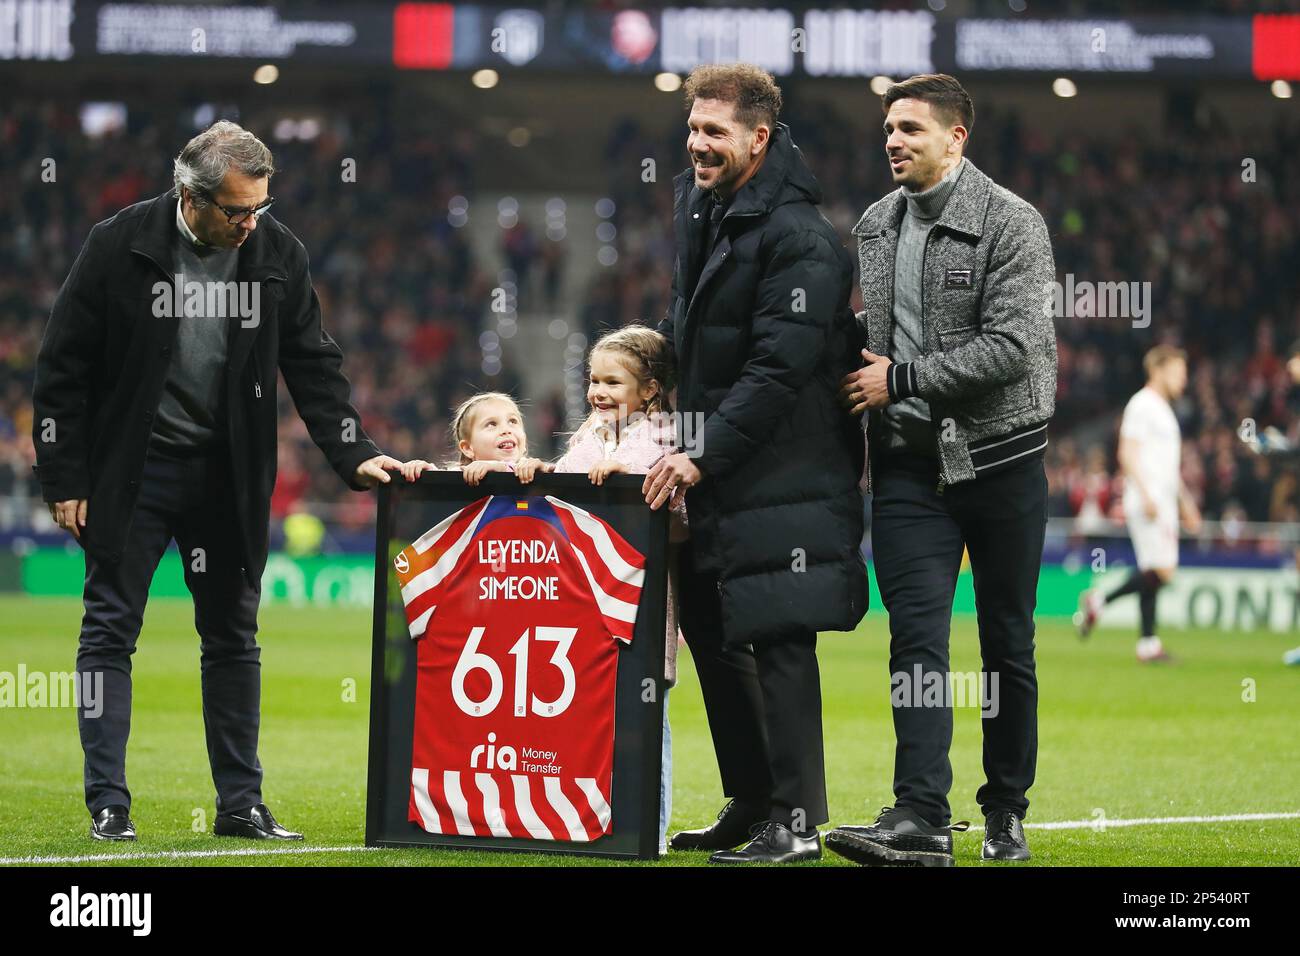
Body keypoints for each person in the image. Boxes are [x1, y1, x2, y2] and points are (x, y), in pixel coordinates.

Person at [31, 121, 403, 842]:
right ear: (188, 196)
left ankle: (241, 804)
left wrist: (353, 451)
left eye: (257, 207)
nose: (249, 223)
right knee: (109, 632)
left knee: (233, 636)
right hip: (131, 473)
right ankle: (108, 802)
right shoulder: (119, 243)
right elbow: (61, 368)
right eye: (235, 210)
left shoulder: (275, 252)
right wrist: (63, 477)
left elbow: (314, 364)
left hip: (225, 475)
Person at [642, 64, 868, 865]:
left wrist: (699, 453)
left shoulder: (799, 235)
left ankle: (797, 822)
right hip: (723, 466)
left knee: (778, 640)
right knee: (711, 633)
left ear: (758, 138)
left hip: (784, 470)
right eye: (693, 128)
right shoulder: (705, 206)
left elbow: (780, 368)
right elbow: (691, 321)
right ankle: (753, 801)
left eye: (715, 133)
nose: (698, 145)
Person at [830, 74, 1057, 866]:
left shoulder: (1012, 223)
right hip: (906, 471)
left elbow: (1015, 347)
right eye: (888, 128)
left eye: (911, 129)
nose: (893, 140)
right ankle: (920, 814)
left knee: (1007, 643)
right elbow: (875, 334)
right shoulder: (875, 224)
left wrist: (904, 378)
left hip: (1000, 466)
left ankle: (1004, 811)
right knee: (916, 640)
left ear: (956, 138)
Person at [548, 325, 685, 856]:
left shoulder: (669, 436)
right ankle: (580, 819)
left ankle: (648, 830)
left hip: (642, 605)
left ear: (649, 389)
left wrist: (630, 480)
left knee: (646, 715)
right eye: (593, 380)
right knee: (584, 714)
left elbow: (683, 519)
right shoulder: (588, 436)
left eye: (612, 382)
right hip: (579, 607)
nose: (597, 392)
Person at [1075, 346, 1201, 662]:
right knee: (1163, 570)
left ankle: (1148, 645)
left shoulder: (1164, 410)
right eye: (1178, 372)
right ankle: (1100, 600)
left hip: (1162, 500)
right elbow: (1127, 453)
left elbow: (1168, 468)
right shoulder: (1142, 405)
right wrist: (1146, 494)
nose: (1183, 380)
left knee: (1152, 571)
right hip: (1149, 501)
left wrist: (1185, 502)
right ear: (1158, 369)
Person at [398, 391, 547, 485]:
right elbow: (442, 483)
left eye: (513, 421)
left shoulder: (534, 468)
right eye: (491, 424)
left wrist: (540, 470)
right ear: (468, 448)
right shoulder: (463, 475)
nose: (506, 430)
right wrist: (422, 472)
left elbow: (559, 476)